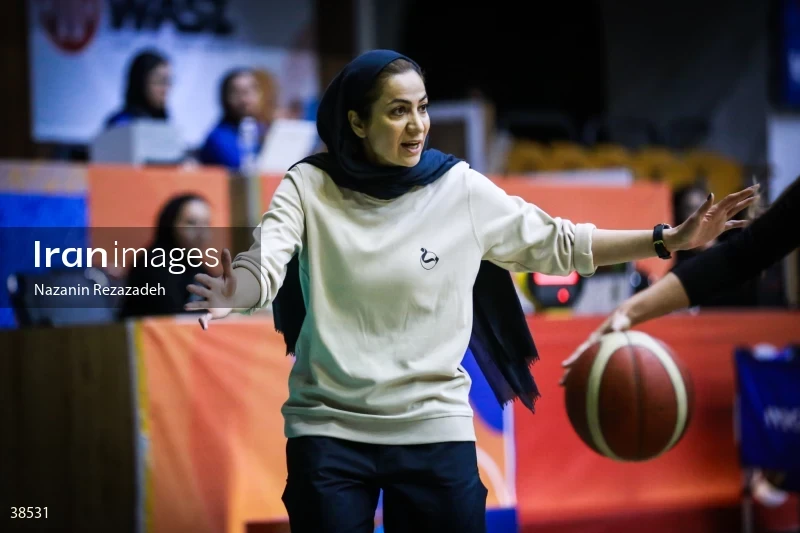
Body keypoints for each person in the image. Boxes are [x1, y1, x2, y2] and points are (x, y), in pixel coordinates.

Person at [183, 50, 756, 532]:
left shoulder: (456, 187)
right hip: (330, 430)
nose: (417, 126)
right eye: (397, 112)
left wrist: (665, 239)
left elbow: (558, 244)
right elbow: (270, 258)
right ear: (357, 123)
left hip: (434, 426)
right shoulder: (308, 185)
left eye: (423, 109)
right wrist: (239, 290)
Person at [561, 174, 798, 382]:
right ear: (678, 217)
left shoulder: (751, 279)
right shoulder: (695, 267)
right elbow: (735, 259)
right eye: (690, 209)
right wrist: (628, 312)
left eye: (703, 204)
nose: (702, 216)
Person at [119, 194, 212, 318]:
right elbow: (170, 314)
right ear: (171, 224)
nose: (201, 231)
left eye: (206, 223)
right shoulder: (154, 263)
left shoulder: (196, 267)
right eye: (191, 223)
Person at [198, 68, 269, 169]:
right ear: (225, 98)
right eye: (238, 92)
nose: (246, 99)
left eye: (251, 90)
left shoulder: (262, 131)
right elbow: (242, 170)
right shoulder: (218, 138)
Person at [105, 50, 172, 128]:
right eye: (160, 81)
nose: (166, 89)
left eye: (168, 81)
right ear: (140, 82)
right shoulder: (121, 123)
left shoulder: (163, 122)